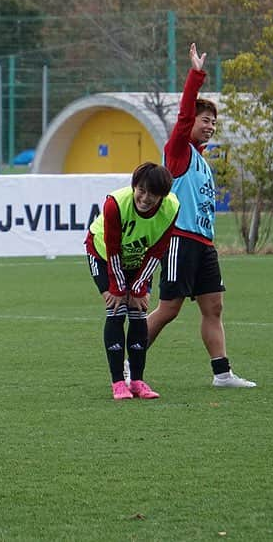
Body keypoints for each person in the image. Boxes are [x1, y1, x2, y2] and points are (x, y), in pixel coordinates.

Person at [146, 43, 256, 388]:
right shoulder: (177, 152)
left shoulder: (202, 160)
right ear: (190, 121)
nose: (210, 126)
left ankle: (222, 374)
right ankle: (126, 362)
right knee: (169, 309)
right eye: (205, 119)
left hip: (203, 244)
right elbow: (182, 116)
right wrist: (196, 75)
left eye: (213, 122)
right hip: (180, 239)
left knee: (214, 307)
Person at [85, 163, 179, 400]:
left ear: (163, 196)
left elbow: (157, 251)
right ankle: (117, 382)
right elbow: (113, 248)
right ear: (134, 186)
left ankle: (137, 381)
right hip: (104, 255)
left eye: (153, 194)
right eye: (141, 190)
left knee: (138, 311)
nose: (146, 198)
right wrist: (117, 288)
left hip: (139, 260)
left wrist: (138, 287)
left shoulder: (171, 208)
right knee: (116, 310)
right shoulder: (115, 204)